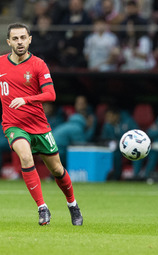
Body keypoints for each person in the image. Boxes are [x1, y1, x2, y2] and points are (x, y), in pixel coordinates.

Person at [0, 23, 83, 226]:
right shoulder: (1, 63)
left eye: (23, 37)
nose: (19, 42)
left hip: (39, 125)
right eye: (15, 38)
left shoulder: (38, 64)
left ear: (30, 39)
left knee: (57, 170)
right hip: (13, 125)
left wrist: (26, 99)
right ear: (9, 42)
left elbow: (51, 95)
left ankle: (72, 205)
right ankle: (42, 208)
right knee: (26, 157)